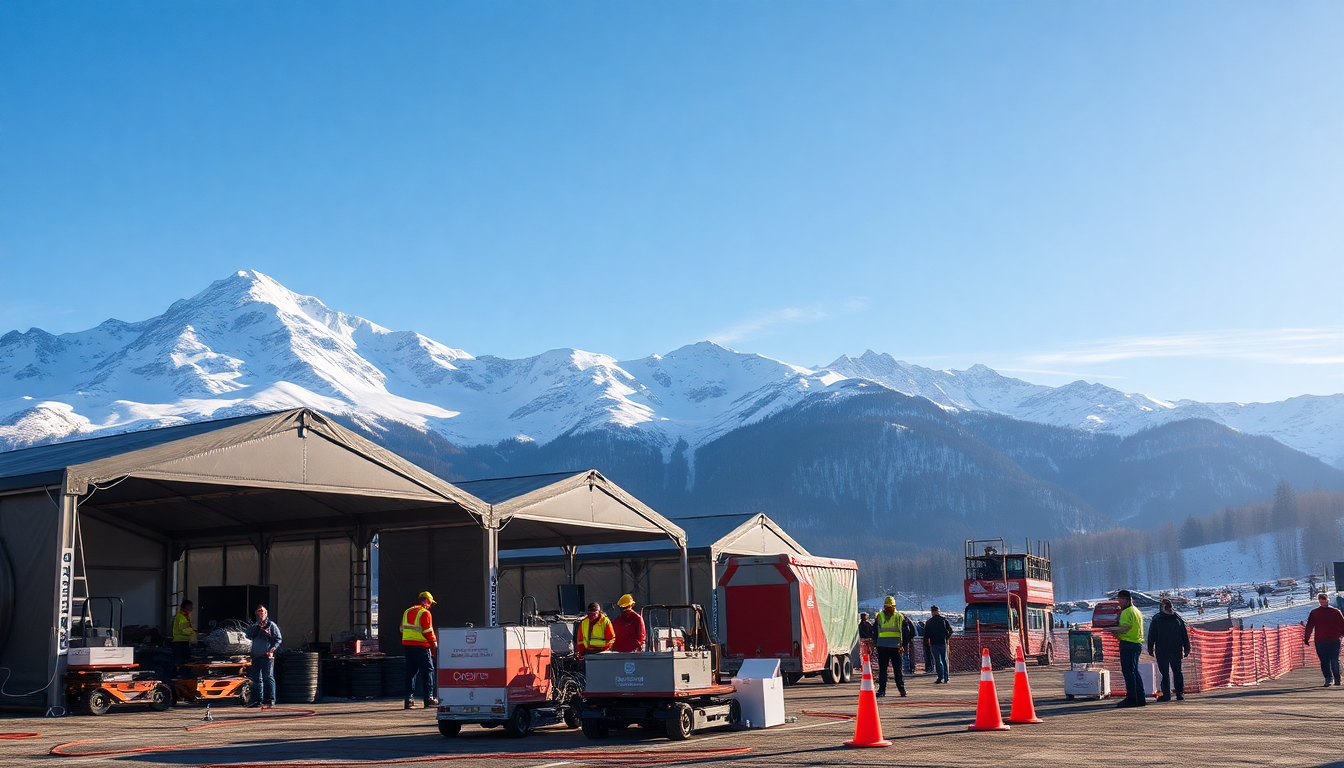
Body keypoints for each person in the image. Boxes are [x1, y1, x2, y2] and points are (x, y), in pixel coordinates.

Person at [401, 591, 439, 709]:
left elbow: (402, 629)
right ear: (427, 601)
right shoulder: (425, 613)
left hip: (407, 646)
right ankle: (428, 698)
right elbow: (428, 631)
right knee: (428, 671)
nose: (430, 606)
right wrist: (434, 643)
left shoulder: (407, 611)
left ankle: (408, 700)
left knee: (410, 672)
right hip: (421, 646)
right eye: (430, 604)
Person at [1147, 598, 1190, 701]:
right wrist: (1187, 647)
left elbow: (1151, 635)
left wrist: (1150, 648)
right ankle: (1178, 693)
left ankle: (1168, 694)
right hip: (1173, 649)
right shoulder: (1177, 619)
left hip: (1164, 650)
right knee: (1175, 672)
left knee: (1168, 672)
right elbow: (1184, 635)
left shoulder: (1157, 619)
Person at [1110, 589, 1146, 708]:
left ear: (1126, 599)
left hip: (1128, 643)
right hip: (1137, 643)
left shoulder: (1126, 612)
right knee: (1134, 671)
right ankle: (1140, 697)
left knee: (1128, 672)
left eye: (1120, 600)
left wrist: (1114, 630)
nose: (1118, 602)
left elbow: (1125, 627)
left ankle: (1131, 698)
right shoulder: (1137, 611)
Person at [1303, 592, 1344, 687]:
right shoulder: (1315, 613)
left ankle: (1337, 679)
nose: (1325, 602)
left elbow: (1342, 625)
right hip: (1320, 640)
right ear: (1319, 601)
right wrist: (1306, 637)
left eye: (1326, 600)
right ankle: (1328, 679)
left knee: (1334, 659)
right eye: (1323, 601)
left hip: (1334, 639)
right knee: (1324, 660)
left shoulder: (1335, 612)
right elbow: (1310, 626)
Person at [246, 605, 282, 709]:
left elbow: (278, 639)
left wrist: (272, 649)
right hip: (255, 655)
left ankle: (270, 699)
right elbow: (247, 636)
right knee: (256, 678)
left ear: (266, 613)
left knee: (268, 677)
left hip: (267, 655)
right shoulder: (253, 627)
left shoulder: (271, 625)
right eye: (259, 611)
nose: (261, 613)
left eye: (263, 611)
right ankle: (257, 700)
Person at [873, 596, 907, 697]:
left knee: (883, 669)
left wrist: (875, 643)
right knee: (897, 669)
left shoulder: (879, 616)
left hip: (883, 647)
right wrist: (903, 645)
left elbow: (874, 631)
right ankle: (901, 690)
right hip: (895, 647)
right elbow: (906, 632)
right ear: (894, 606)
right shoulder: (899, 617)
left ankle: (882, 691)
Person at [924, 605, 954, 684]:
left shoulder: (929, 622)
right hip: (942, 642)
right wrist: (946, 638)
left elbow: (926, 635)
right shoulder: (943, 620)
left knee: (937, 661)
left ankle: (940, 677)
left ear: (932, 612)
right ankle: (946, 677)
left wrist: (927, 641)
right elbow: (950, 631)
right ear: (938, 611)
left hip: (934, 643)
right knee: (944, 660)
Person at [171, 600, 197, 673]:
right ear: (187, 606)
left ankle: (182, 673)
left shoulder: (185, 615)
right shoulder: (181, 617)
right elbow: (185, 629)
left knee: (183, 660)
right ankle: (180, 675)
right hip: (179, 642)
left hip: (183, 641)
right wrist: (194, 633)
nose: (192, 608)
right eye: (191, 606)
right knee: (181, 661)